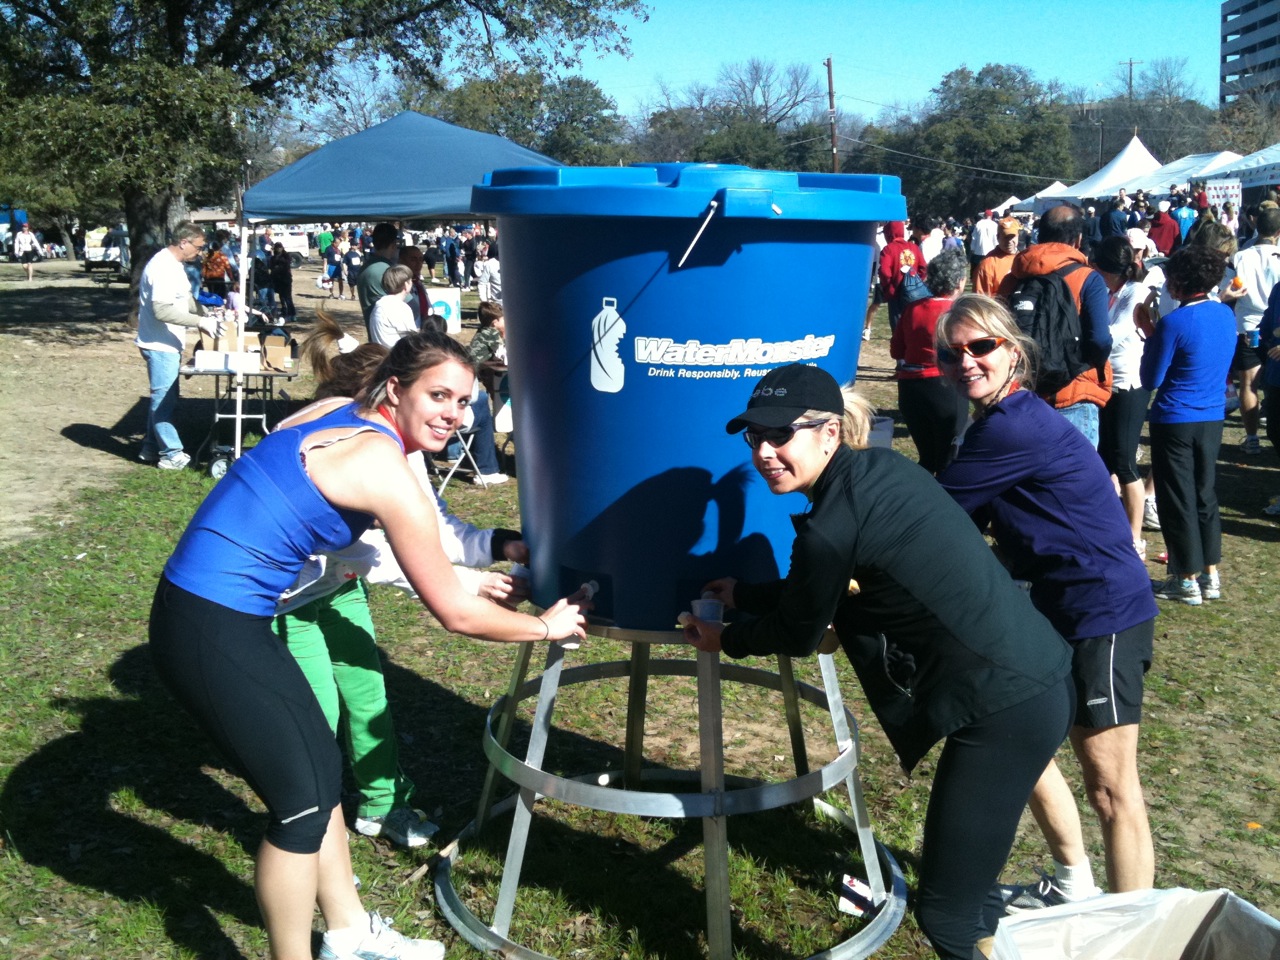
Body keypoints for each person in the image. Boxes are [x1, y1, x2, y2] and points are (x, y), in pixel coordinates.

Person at [149, 329, 588, 960]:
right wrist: (546, 626)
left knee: (320, 774)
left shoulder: (339, 414)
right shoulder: (381, 464)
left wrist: (479, 557)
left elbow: (333, 527)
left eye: (464, 402)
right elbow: (456, 616)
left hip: (221, 613)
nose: (455, 415)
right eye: (439, 395)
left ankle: (349, 934)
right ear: (395, 388)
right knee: (299, 809)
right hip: (207, 624)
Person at [681, 364, 1074, 960]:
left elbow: (796, 629)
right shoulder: (882, 470)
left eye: (780, 436)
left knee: (947, 914)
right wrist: (747, 594)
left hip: (1006, 708)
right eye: (754, 437)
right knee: (963, 898)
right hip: (1034, 675)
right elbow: (819, 587)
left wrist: (724, 638)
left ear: (829, 433)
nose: (764, 452)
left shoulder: (831, 525)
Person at [934, 293, 1158, 907]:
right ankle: (1071, 881)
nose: (967, 363)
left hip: (1101, 611)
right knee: (1022, 739)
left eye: (981, 347)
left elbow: (931, 514)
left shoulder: (1014, 427)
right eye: (953, 354)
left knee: (1112, 788)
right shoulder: (999, 421)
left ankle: (1133, 931)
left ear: (1014, 350)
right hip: (1052, 606)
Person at [273, 317, 529, 850]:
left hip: (339, 588)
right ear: (384, 395)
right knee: (317, 712)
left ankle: (381, 804)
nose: (452, 417)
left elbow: (433, 528)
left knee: (368, 696)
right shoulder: (341, 447)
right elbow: (374, 556)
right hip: (289, 601)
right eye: (437, 396)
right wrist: (466, 583)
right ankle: (310, 823)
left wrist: (501, 543)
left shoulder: (401, 446)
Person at [1138, 245, 1237, 605]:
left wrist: (1149, 333)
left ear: (1179, 281)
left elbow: (1151, 378)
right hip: (1212, 416)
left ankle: (1184, 578)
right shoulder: (1225, 314)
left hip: (1176, 417)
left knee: (1176, 499)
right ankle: (1210, 573)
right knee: (1204, 495)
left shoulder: (1174, 322)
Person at [998, 203, 1113, 449]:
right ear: (1078, 239)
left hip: (1024, 392)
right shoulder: (1088, 278)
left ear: (1040, 234)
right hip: (1074, 389)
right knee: (1076, 480)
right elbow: (1100, 339)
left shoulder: (1013, 278)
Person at [135, 221, 223, 471]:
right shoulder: (163, 268)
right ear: (183, 242)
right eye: (198, 246)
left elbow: (185, 300)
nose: (201, 251)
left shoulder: (176, 265)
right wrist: (200, 322)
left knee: (162, 399)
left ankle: (151, 448)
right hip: (159, 344)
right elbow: (162, 310)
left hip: (167, 343)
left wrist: (210, 312)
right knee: (164, 402)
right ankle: (172, 454)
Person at [1091, 237, 1152, 558]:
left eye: (1096, 268)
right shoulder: (1107, 291)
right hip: (1105, 381)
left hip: (1129, 383)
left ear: (1107, 269)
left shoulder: (1136, 293)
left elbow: (1113, 335)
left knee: (1126, 462)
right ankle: (1110, 526)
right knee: (1104, 456)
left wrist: (1083, 335)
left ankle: (1134, 537)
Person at [889, 247, 969, 474]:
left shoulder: (912, 309)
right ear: (959, 282)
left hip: (911, 389)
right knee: (949, 458)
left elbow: (897, 351)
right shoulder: (959, 312)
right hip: (945, 388)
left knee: (927, 457)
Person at [1220, 206, 1280, 456]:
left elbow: (1227, 290)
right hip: (1275, 326)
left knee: (1249, 384)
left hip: (1248, 326)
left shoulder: (1241, 256)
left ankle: (1252, 436)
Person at [877, 221, 924, 333]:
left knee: (898, 329)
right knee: (912, 327)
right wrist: (917, 283)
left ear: (889, 233)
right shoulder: (914, 247)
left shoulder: (888, 249)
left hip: (896, 294)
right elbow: (924, 268)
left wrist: (889, 287)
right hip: (913, 293)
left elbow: (884, 271)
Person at [357, 223, 401, 332]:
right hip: (389, 335)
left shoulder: (368, 266)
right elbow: (412, 304)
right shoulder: (384, 269)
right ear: (393, 244)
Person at [367, 265, 417, 348]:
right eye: (411, 280)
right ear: (406, 284)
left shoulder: (379, 305)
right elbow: (413, 340)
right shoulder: (400, 308)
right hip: (397, 357)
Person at [973, 217, 1020, 296]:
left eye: (1012, 237)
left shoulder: (1024, 259)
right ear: (998, 237)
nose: (1009, 241)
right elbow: (981, 299)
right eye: (1005, 237)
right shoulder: (987, 264)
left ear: (1018, 236)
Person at [269, 242, 296, 319]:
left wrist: (277, 268)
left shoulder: (286, 256)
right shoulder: (273, 258)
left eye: (280, 248)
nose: (279, 249)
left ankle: (292, 313)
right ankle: (284, 311)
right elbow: (271, 267)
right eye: (277, 248)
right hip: (277, 280)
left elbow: (285, 266)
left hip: (285, 279)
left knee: (287, 297)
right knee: (282, 297)